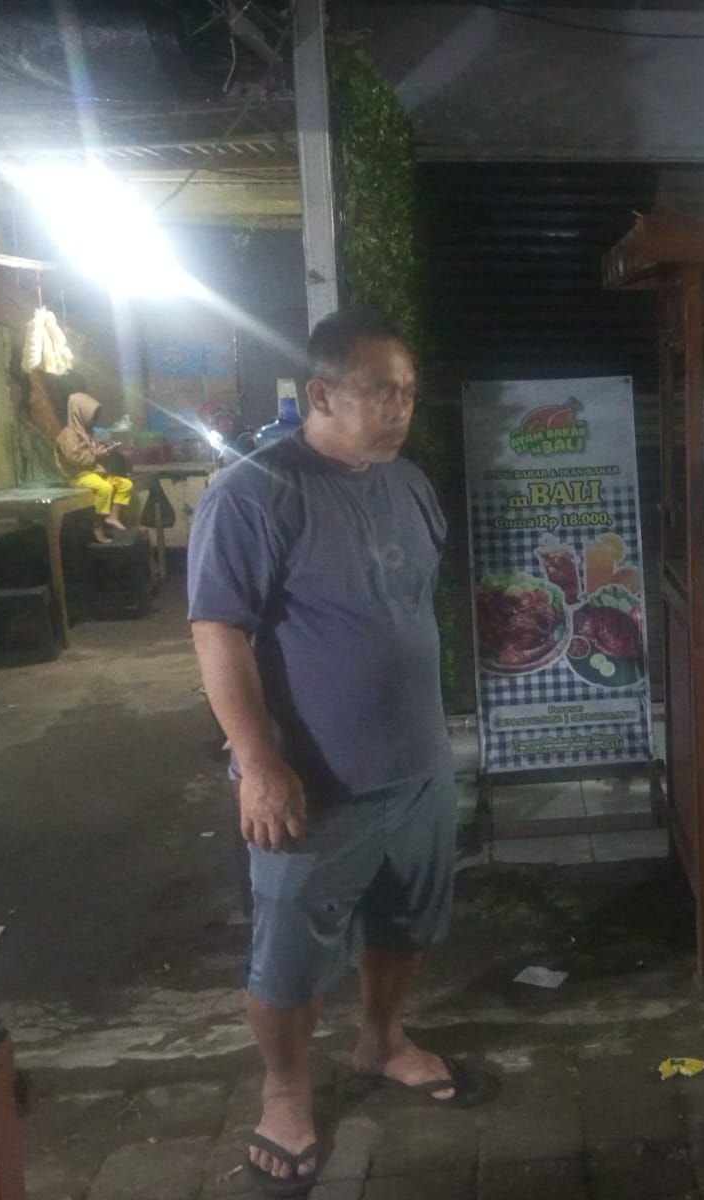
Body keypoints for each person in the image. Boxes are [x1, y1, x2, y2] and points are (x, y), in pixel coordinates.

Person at [188, 309, 492, 1197]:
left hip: (418, 767)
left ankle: (382, 1042)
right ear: (320, 394)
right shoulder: (253, 494)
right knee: (288, 953)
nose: (400, 408)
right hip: (313, 784)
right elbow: (218, 632)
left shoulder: (409, 484)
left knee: (406, 923)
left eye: (409, 392)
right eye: (380, 392)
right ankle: (285, 1092)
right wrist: (259, 763)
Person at [53, 383, 132, 543]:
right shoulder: (68, 435)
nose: (94, 419)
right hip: (79, 477)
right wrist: (96, 454)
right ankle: (98, 525)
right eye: (91, 415)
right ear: (80, 412)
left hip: (95, 474)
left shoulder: (87, 434)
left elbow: (92, 455)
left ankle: (113, 517)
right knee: (105, 488)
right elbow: (75, 458)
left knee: (125, 484)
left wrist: (106, 452)